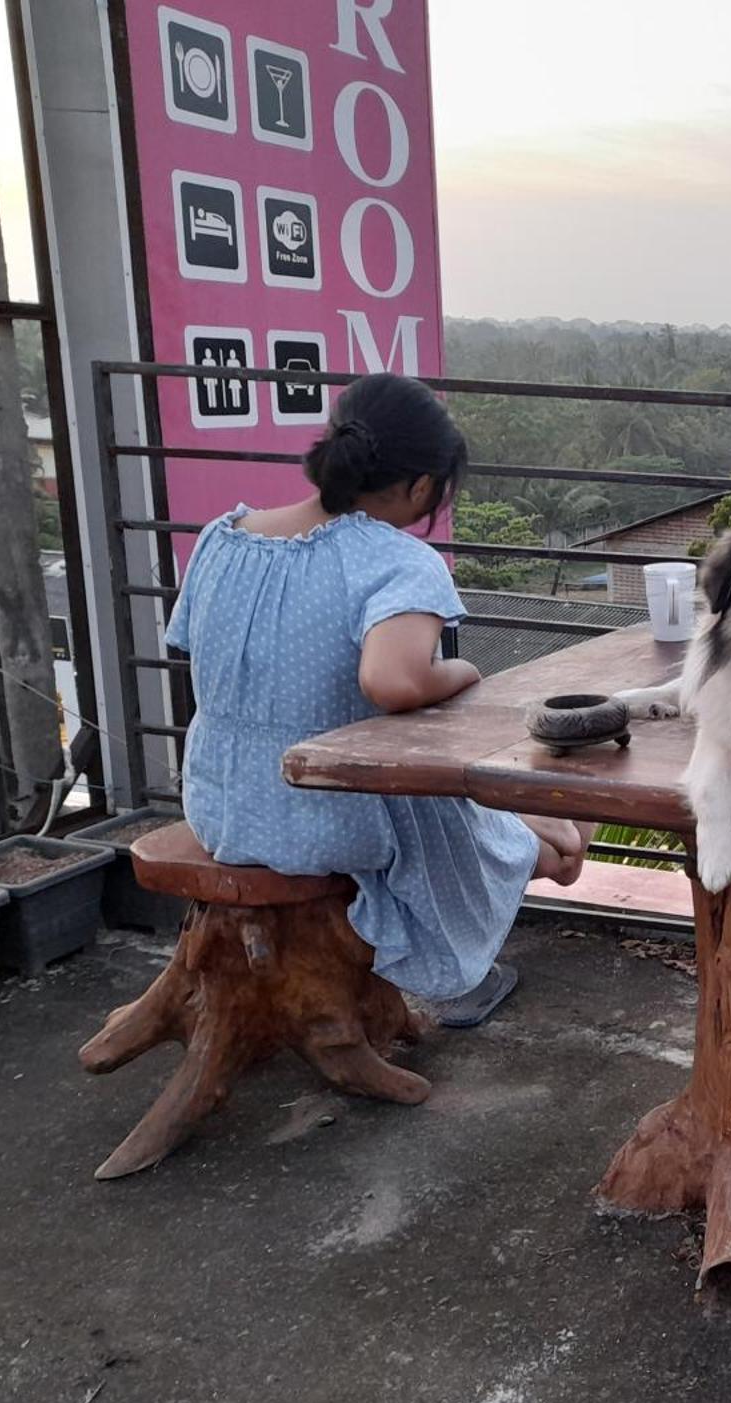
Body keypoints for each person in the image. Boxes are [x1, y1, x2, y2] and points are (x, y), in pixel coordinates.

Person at [165, 372, 591, 1005]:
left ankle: (498, 875)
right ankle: (455, 969)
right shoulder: (394, 559)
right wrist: (463, 672)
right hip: (322, 810)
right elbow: (392, 681)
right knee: (564, 841)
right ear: (420, 485)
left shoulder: (223, 540)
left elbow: (193, 648)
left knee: (512, 821)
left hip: (221, 803)